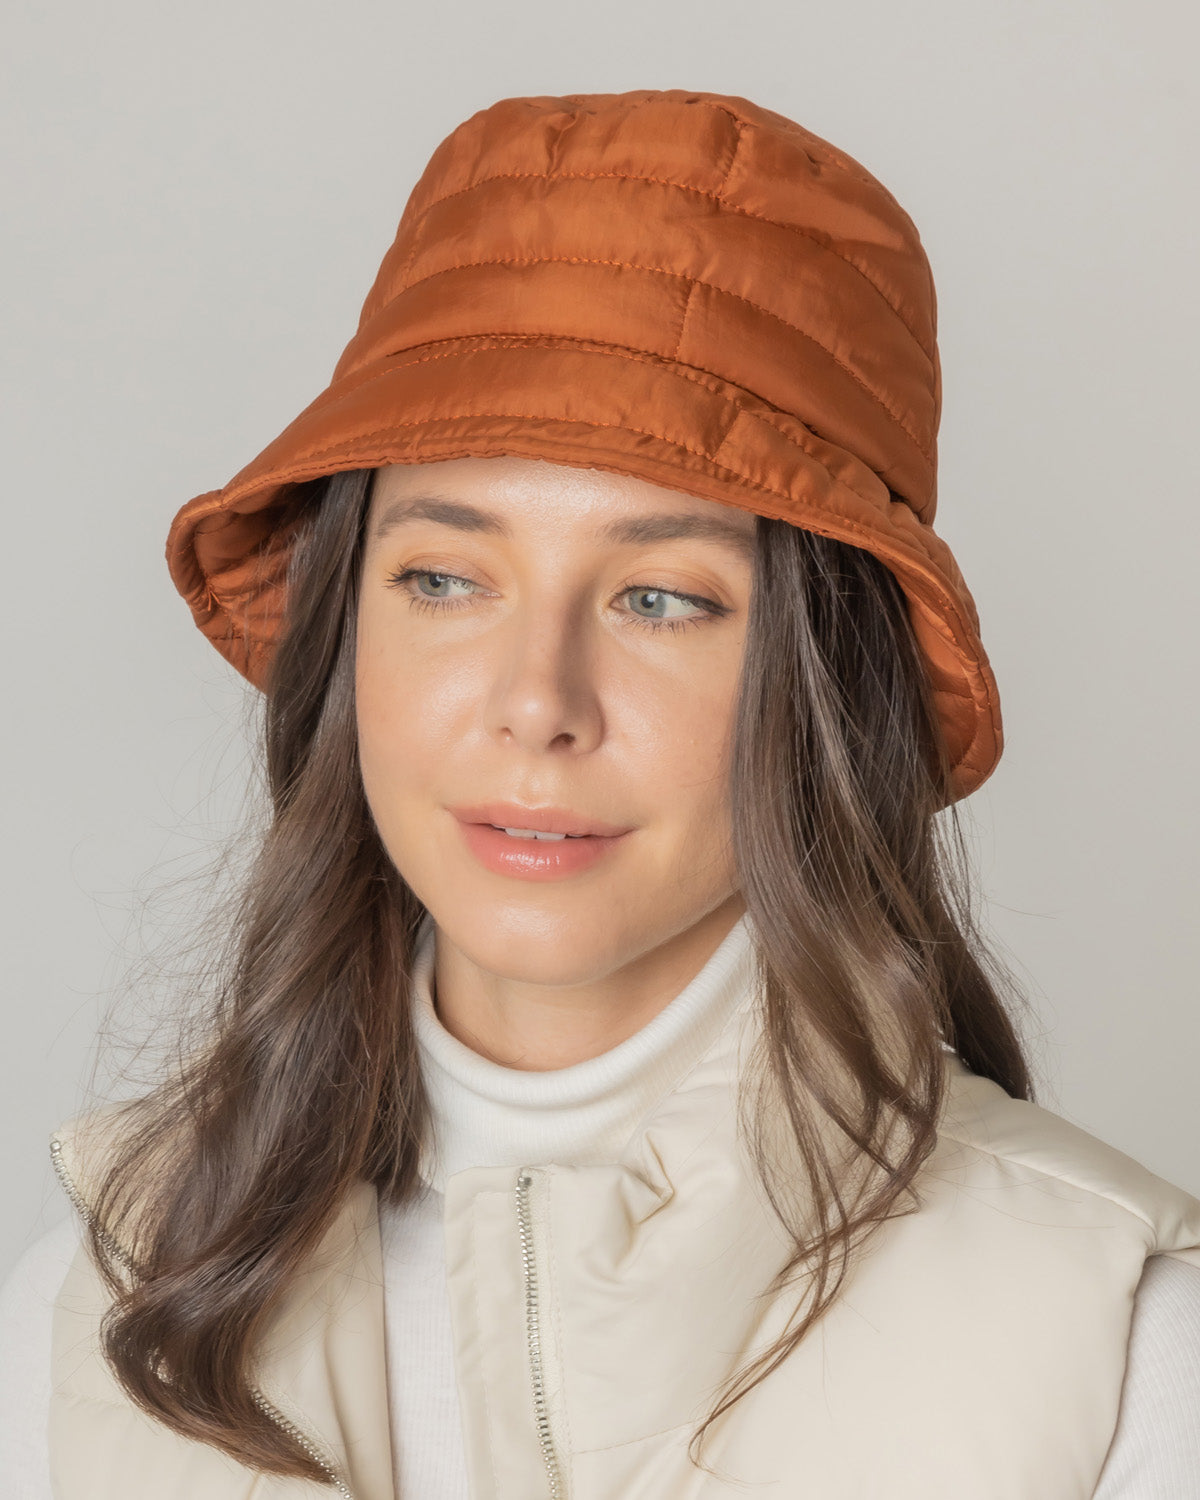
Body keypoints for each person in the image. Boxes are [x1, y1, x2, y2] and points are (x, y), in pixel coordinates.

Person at [2, 87, 1198, 1500]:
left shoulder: (1119, 1344)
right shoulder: (105, 1311)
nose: (536, 701)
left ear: (827, 682)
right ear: (346, 638)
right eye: (443, 578)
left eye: (661, 598)